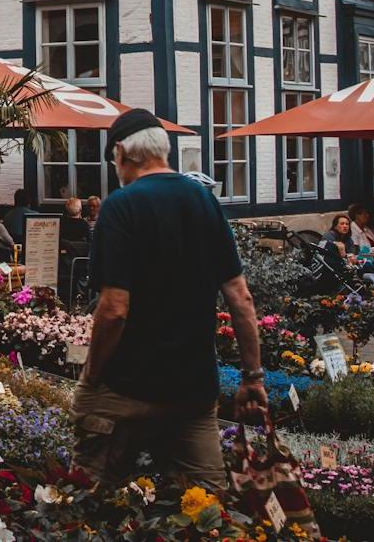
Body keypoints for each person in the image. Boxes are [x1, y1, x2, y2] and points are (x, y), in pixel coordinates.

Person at [75, 108, 266, 494]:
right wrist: (252, 377)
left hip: (126, 386)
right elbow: (240, 298)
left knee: (91, 499)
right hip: (192, 390)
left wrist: (92, 376)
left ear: (122, 154)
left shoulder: (121, 206)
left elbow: (114, 309)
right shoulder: (204, 201)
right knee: (207, 508)